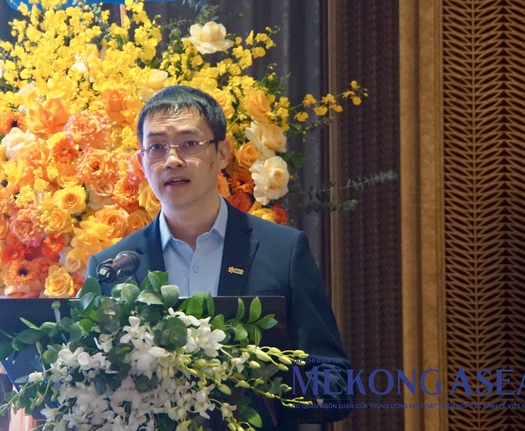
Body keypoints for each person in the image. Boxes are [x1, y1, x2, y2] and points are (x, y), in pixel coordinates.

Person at [86, 85, 352, 429]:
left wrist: (250, 379)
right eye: (157, 147)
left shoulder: (282, 251)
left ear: (223, 153)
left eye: (189, 143)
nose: (172, 160)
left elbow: (334, 382)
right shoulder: (112, 268)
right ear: (141, 162)